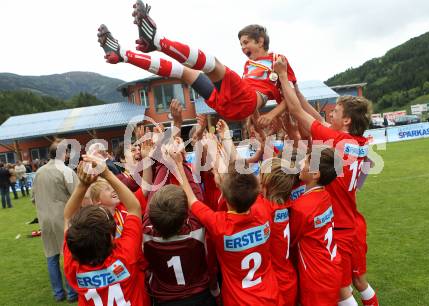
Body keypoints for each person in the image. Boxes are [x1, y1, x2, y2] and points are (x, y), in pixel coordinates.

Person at [274, 56, 378, 306]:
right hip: (354, 222)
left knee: (342, 290)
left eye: (336, 111)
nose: (330, 112)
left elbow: (300, 113)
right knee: (360, 282)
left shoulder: (336, 141)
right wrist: (295, 88)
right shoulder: (361, 143)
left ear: (346, 121)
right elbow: (313, 116)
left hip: (338, 226)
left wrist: (282, 76)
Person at [97, 0, 296, 124]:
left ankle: (158, 41)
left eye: (246, 43)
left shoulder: (277, 61)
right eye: (241, 44)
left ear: (260, 41)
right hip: (226, 104)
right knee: (186, 72)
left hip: (248, 100)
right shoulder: (248, 66)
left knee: (215, 65)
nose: (243, 48)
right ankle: (124, 55)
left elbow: (291, 95)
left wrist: (272, 115)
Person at [168, 137, 279, 306]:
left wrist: (178, 165)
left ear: (223, 195)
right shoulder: (263, 210)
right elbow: (241, 182)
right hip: (270, 295)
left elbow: (191, 200)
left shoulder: (219, 224)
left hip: (238, 301)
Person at [63, 157, 150, 306]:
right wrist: (107, 174)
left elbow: (67, 217)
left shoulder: (73, 267)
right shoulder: (125, 255)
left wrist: (83, 185)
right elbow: (134, 208)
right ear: (111, 237)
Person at [143, 184, 217, 305]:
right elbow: (196, 198)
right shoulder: (197, 230)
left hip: (165, 299)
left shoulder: (146, 234)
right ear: (185, 217)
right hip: (200, 295)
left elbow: (149, 209)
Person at [290, 148, 342, 306]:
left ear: (315, 174)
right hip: (331, 267)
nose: (300, 163)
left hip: (316, 276)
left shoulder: (301, 207)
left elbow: (291, 240)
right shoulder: (325, 195)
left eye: (305, 162)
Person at [32, 140, 78, 302]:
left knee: (51, 256)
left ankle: (59, 293)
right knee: (68, 255)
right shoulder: (66, 171)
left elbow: (33, 198)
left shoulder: (39, 172)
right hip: (64, 220)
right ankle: (72, 293)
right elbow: (78, 196)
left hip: (45, 220)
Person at [259, 158, 298, 305]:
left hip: (275, 282)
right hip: (288, 277)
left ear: (267, 184)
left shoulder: (264, 208)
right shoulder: (287, 205)